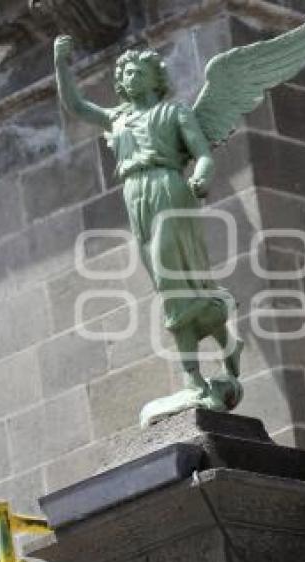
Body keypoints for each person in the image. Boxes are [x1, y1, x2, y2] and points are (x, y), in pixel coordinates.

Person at [53, 36, 242, 407]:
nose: (128, 75)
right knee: (166, 284)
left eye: (137, 70)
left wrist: (202, 176)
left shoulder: (174, 113)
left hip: (168, 187)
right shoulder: (117, 117)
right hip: (134, 193)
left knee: (171, 276)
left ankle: (193, 376)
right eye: (124, 72)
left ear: (155, 78)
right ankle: (221, 340)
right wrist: (61, 64)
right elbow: (75, 105)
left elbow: (202, 154)